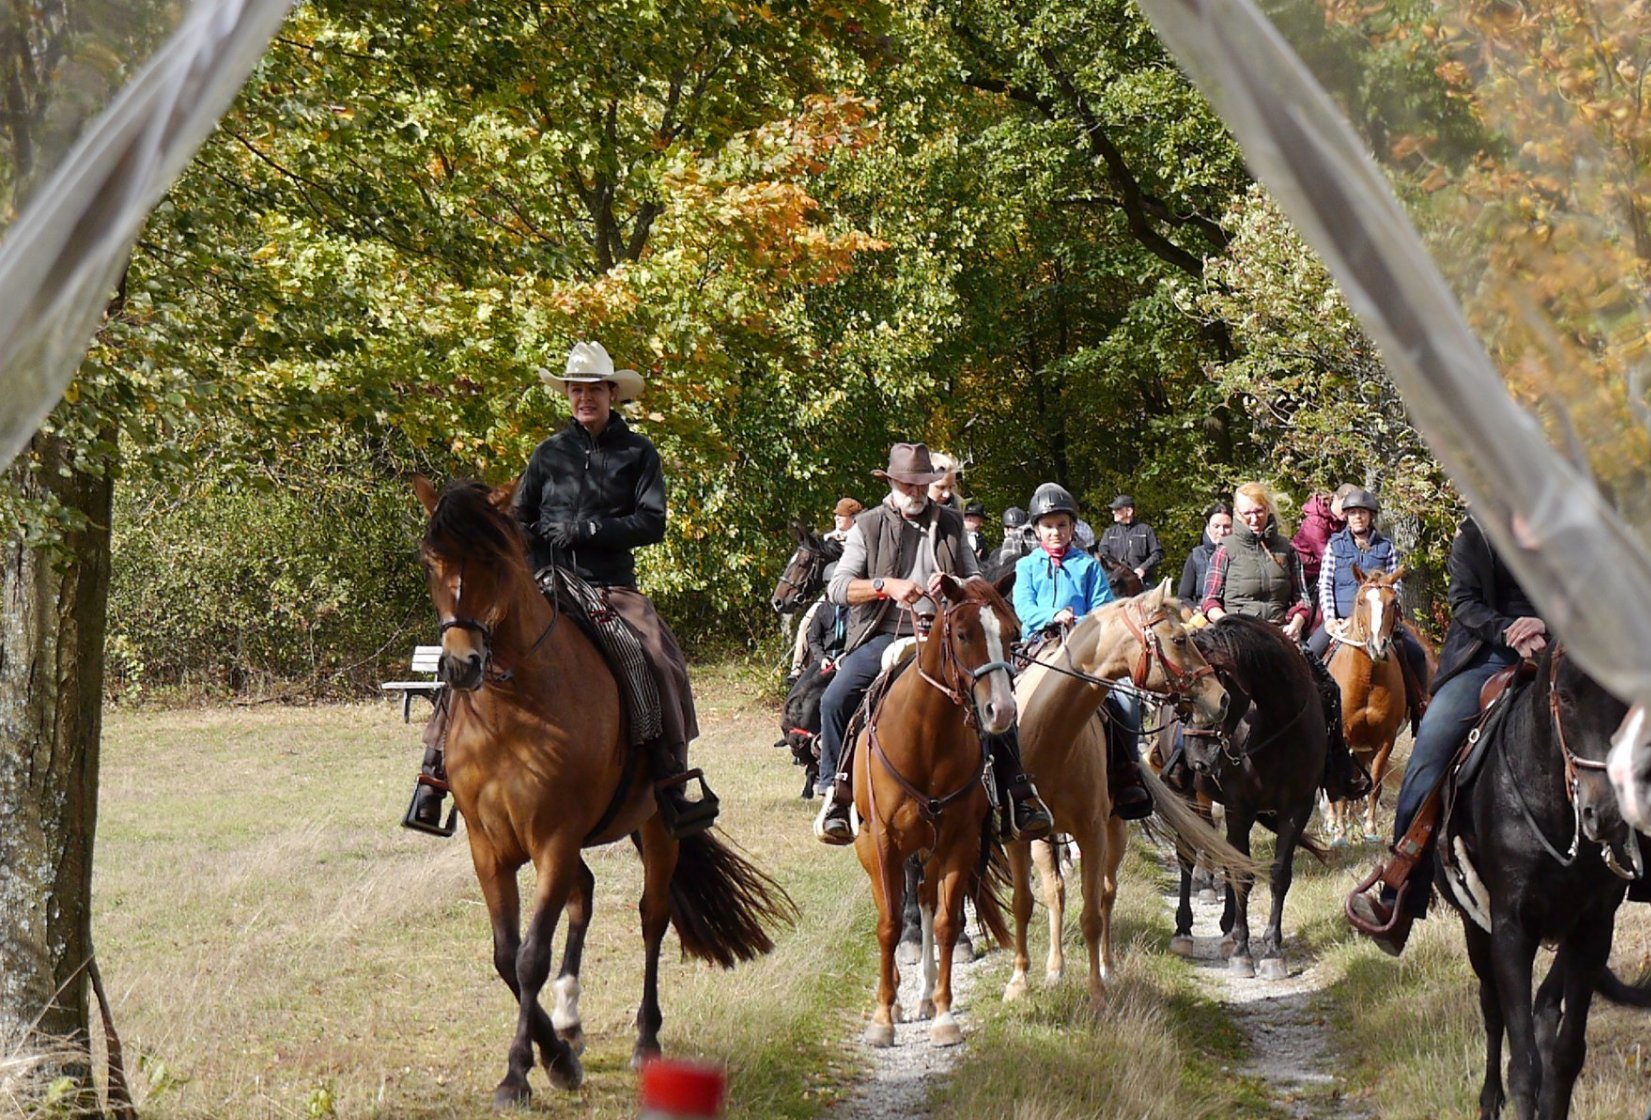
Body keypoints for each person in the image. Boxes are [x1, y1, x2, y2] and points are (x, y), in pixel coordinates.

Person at [408, 339, 715, 839]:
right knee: (469, 649)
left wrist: (590, 530)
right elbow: (518, 518)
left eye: (593, 390)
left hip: (609, 585)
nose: (584, 398)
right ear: (567, 395)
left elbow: (651, 522)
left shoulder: (638, 453)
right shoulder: (548, 453)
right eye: (575, 390)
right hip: (544, 583)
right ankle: (433, 773)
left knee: (657, 655)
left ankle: (672, 777)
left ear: (612, 393)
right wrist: (529, 535)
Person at [813, 442, 1053, 844]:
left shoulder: (952, 522)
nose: (916, 492)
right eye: (908, 484)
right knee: (835, 697)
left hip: (949, 635)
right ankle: (836, 792)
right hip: (884, 632)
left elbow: (976, 579)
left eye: (922, 484)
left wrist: (954, 582)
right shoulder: (867, 526)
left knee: (994, 691)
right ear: (891, 483)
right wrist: (885, 586)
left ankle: (1017, 792)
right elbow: (838, 587)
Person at [1347, 514, 1547, 955]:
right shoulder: (1476, 533)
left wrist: (1544, 625)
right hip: (1486, 658)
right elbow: (1464, 602)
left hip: (1558, 651)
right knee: (1427, 760)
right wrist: (1508, 629)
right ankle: (1399, 897)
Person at [1202, 482, 1369, 800]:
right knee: (1198, 690)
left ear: (1269, 511)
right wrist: (1228, 626)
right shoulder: (1225, 550)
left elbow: (1302, 598)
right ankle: (1181, 764)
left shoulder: (1286, 550)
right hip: (1234, 638)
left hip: (1279, 636)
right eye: (1247, 513)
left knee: (1328, 688)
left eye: (1259, 511)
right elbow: (1209, 601)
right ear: (1237, 514)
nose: (1254, 518)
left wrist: (1297, 621)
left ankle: (1335, 770)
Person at [1013, 483, 1153, 819]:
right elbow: (1023, 607)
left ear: (1073, 527)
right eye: (1048, 526)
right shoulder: (1027, 566)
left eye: (1062, 525)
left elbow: (1104, 608)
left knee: (1124, 699)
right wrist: (1051, 615)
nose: (1056, 532)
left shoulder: (1088, 566)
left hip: (1083, 647)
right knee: (1001, 703)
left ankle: (1127, 772)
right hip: (1037, 648)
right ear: (1037, 530)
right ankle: (1007, 780)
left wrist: (1082, 623)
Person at [1306, 488, 1430, 729]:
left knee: (1416, 652)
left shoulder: (1386, 546)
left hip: (1381, 619)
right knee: (1309, 654)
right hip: (1342, 620)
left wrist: (1388, 614)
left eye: (1362, 512)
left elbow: (1396, 586)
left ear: (1371, 516)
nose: (1357, 517)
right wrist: (1330, 619)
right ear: (1346, 516)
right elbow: (1325, 584)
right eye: (1352, 513)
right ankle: (1311, 713)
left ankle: (1420, 706)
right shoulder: (1335, 545)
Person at [1293, 483, 1357, 627]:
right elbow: (1325, 555)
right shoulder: (1315, 522)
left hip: (1322, 571)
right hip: (1306, 574)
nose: (1347, 514)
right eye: (1345, 508)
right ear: (1336, 499)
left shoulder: (1340, 521)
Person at [1097, 495, 1165, 584]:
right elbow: (1103, 554)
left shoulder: (1146, 530)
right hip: (1118, 583)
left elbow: (1157, 554)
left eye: (1118, 509)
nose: (1113, 512)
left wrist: (1143, 568)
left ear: (1129, 511)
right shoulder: (1109, 533)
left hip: (1143, 581)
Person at [1176, 501, 1233, 606]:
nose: (1221, 532)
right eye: (1216, 526)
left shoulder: (1244, 555)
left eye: (1227, 526)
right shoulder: (1196, 556)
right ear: (1208, 526)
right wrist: (1196, 609)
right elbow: (1183, 597)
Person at [963, 500, 990, 565]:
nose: (981, 525)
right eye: (979, 521)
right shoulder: (955, 534)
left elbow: (986, 561)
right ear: (969, 519)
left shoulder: (980, 539)